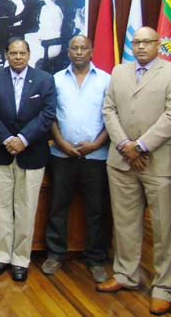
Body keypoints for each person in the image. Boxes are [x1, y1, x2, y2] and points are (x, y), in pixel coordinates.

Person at [98, 26, 171, 316]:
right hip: (121, 160)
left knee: (164, 230)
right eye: (136, 42)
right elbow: (108, 109)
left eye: (146, 42)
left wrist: (142, 146)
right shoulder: (119, 71)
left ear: (158, 44)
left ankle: (164, 288)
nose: (140, 47)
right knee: (125, 223)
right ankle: (126, 274)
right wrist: (126, 144)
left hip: (158, 163)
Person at [0, 38, 55, 282]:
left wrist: (23, 139)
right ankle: (1, 256)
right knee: (1, 207)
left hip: (32, 153)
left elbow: (48, 114)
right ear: (6, 54)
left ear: (29, 54)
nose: (17, 57)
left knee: (26, 208)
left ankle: (20, 259)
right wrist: (7, 139)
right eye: (13, 53)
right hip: (1, 152)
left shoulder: (45, 79)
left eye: (22, 53)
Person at [42, 35, 111, 283]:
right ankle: (55, 254)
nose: (79, 52)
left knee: (96, 210)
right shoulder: (56, 80)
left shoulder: (106, 80)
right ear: (68, 52)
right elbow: (50, 115)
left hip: (97, 156)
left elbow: (112, 117)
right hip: (62, 154)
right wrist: (60, 142)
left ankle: (95, 258)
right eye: (75, 48)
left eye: (84, 48)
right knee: (58, 207)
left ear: (91, 51)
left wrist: (96, 144)